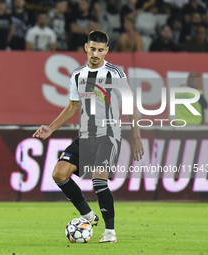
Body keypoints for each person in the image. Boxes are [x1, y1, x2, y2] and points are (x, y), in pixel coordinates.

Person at [33, 30, 144, 243]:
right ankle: (87, 215)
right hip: (85, 136)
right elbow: (73, 106)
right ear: (86, 48)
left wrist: (136, 137)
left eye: (100, 50)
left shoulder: (115, 74)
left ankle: (110, 232)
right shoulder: (77, 75)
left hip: (109, 135)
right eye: (92, 49)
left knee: (98, 181)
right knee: (59, 173)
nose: (96, 53)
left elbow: (130, 105)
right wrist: (51, 128)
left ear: (106, 51)